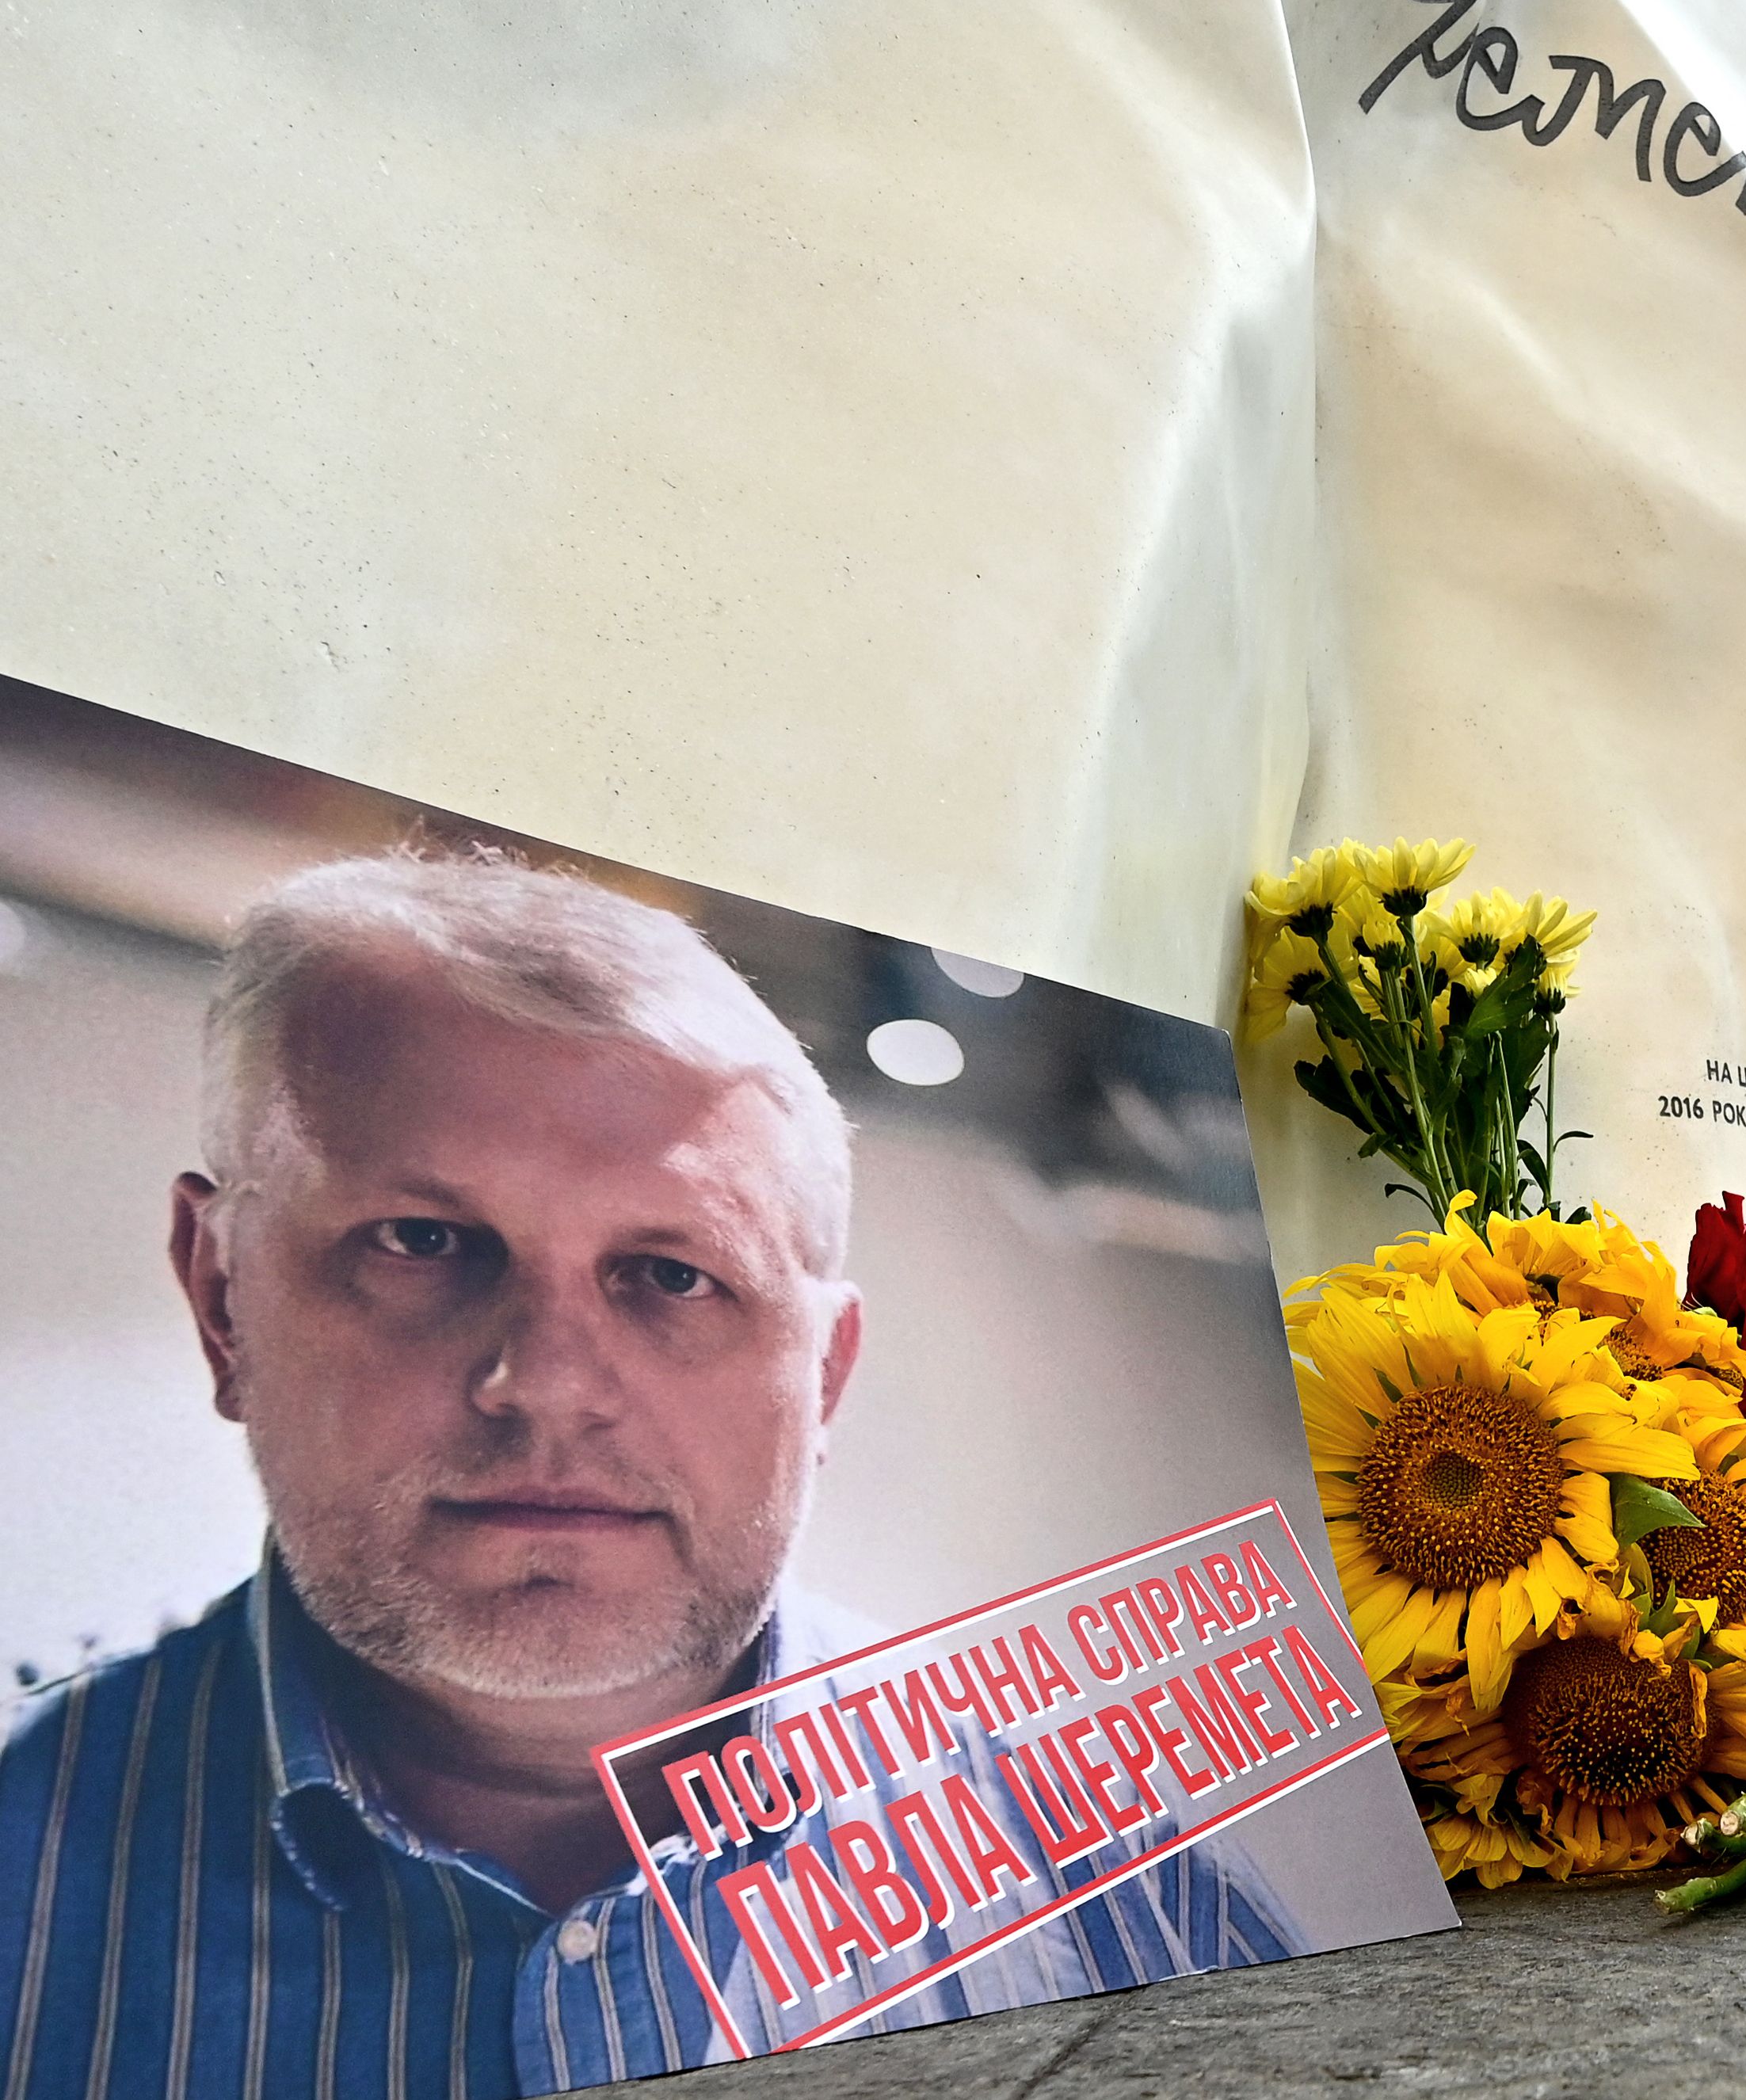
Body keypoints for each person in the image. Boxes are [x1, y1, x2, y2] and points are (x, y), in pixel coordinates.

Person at [0, 852, 1290, 2100]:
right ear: (222, 1298)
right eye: (423, 1240)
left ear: (824, 1376)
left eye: (673, 1273)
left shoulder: (1156, 1915)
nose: (550, 1379)